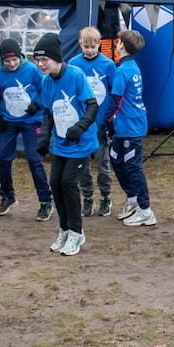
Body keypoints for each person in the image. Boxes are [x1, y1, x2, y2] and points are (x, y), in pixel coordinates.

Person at [33, 32, 100, 255]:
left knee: (68, 183)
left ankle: (76, 233)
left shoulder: (76, 75)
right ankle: (64, 229)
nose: (40, 64)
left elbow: (92, 105)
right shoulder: (46, 81)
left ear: (56, 58)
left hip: (80, 143)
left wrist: (80, 127)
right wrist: (44, 136)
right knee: (55, 184)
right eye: (37, 60)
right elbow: (47, 111)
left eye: (44, 60)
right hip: (61, 142)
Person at [0, 38, 54, 220]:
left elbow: (45, 90)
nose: (11, 64)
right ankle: (7, 196)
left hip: (31, 121)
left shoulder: (32, 70)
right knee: (2, 158)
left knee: (34, 159)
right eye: (7, 61)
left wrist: (37, 104)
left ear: (20, 56)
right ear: (2, 60)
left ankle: (45, 201)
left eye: (14, 60)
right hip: (8, 121)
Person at [103, 30, 157, 227]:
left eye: (118, 42)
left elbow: (116, 100)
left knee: (133, 166)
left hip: (130, 125)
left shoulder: (123, 71)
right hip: (126, 124)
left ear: (122, 45)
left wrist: (105, 122)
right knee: (116, 158)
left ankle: (145, 210)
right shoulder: (131, 66)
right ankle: (132, 199)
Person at [68, 27, 116, 218]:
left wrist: (110, 121)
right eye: (86, 46)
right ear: (80, 44)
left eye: (93, 47)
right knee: (83, 164)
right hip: (82, 124)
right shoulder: (73, 64)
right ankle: (87, 197)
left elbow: (114, 93)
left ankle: (106, 196)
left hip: (101, 122)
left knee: (103, 163)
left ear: (99, 45)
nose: (89, 50)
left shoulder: (108, 65)